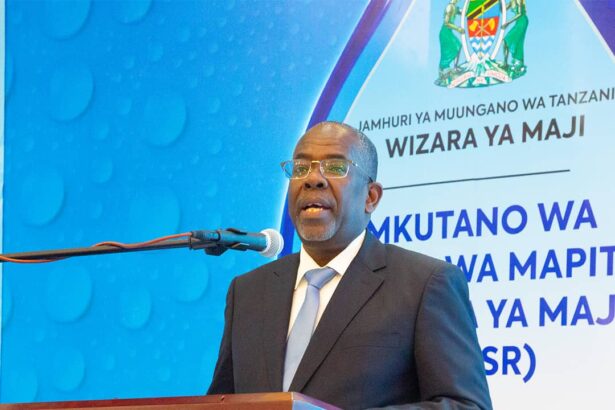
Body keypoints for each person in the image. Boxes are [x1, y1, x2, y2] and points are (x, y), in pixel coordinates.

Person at [208, 122, 492, 409]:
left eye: (335, 167)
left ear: (371, 197)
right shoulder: (248, 291)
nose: (313, 179)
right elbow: (221, 402)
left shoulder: (425, 284)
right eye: (301, 168)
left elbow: (467, 406)